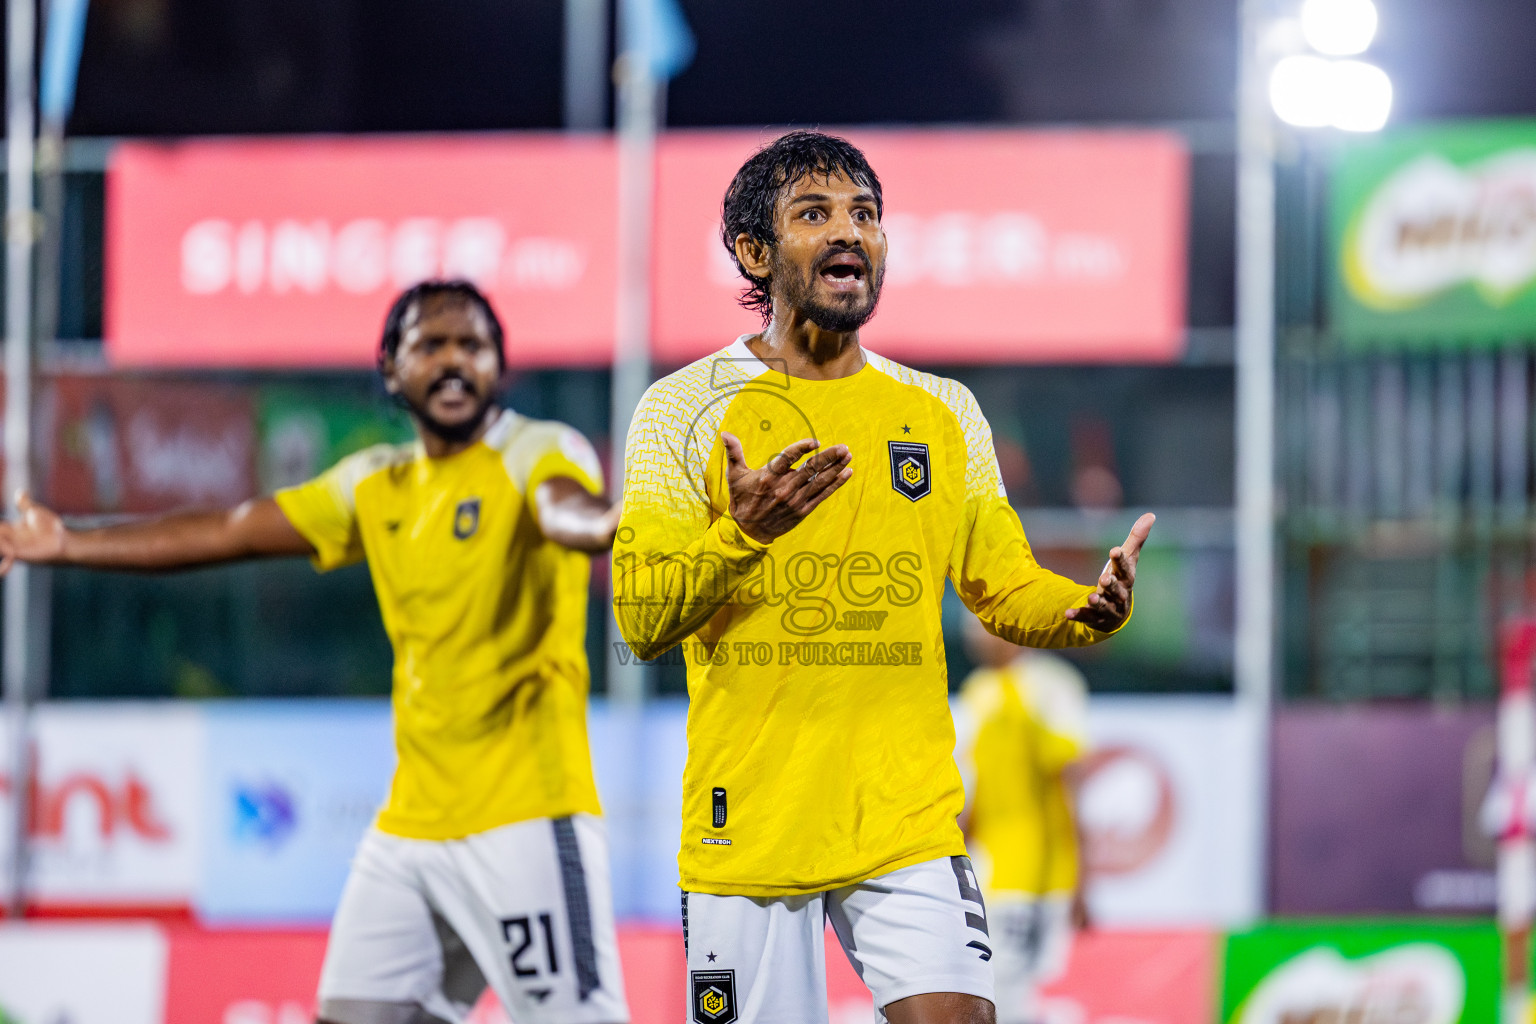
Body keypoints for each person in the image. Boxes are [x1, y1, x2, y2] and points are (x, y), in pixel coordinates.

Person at [612, 130, 1153, 1024]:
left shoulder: (943, 411)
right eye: (814, 213)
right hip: (748, 825)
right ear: (753, 252)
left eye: (865, 214)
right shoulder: (681, 409)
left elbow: (1003, 584)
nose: (850, 233)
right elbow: (640, 617)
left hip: (908, 820)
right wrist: (743, 536)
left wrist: (1087, 610)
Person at [0, 281, 629, 1024]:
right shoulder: (375, 484)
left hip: (528, 818)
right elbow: (230, 529)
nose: (454, 362)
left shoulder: (534, 449)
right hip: (413, 828)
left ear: (500, 365)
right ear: (392, 370)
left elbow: (568, 510)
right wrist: (69, 542)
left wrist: (614, 523)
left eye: (473, 346)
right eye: (431, 346)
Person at [957, 615, 1094, 1024]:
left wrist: (1082, 874)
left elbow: (1068, 781)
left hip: (1035, 868)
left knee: (1018, 987)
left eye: (980, 629)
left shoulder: (1050, 686)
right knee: (997, 985)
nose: (973, 640)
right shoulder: (977, 690)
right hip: (990, 865)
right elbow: (974, 794)